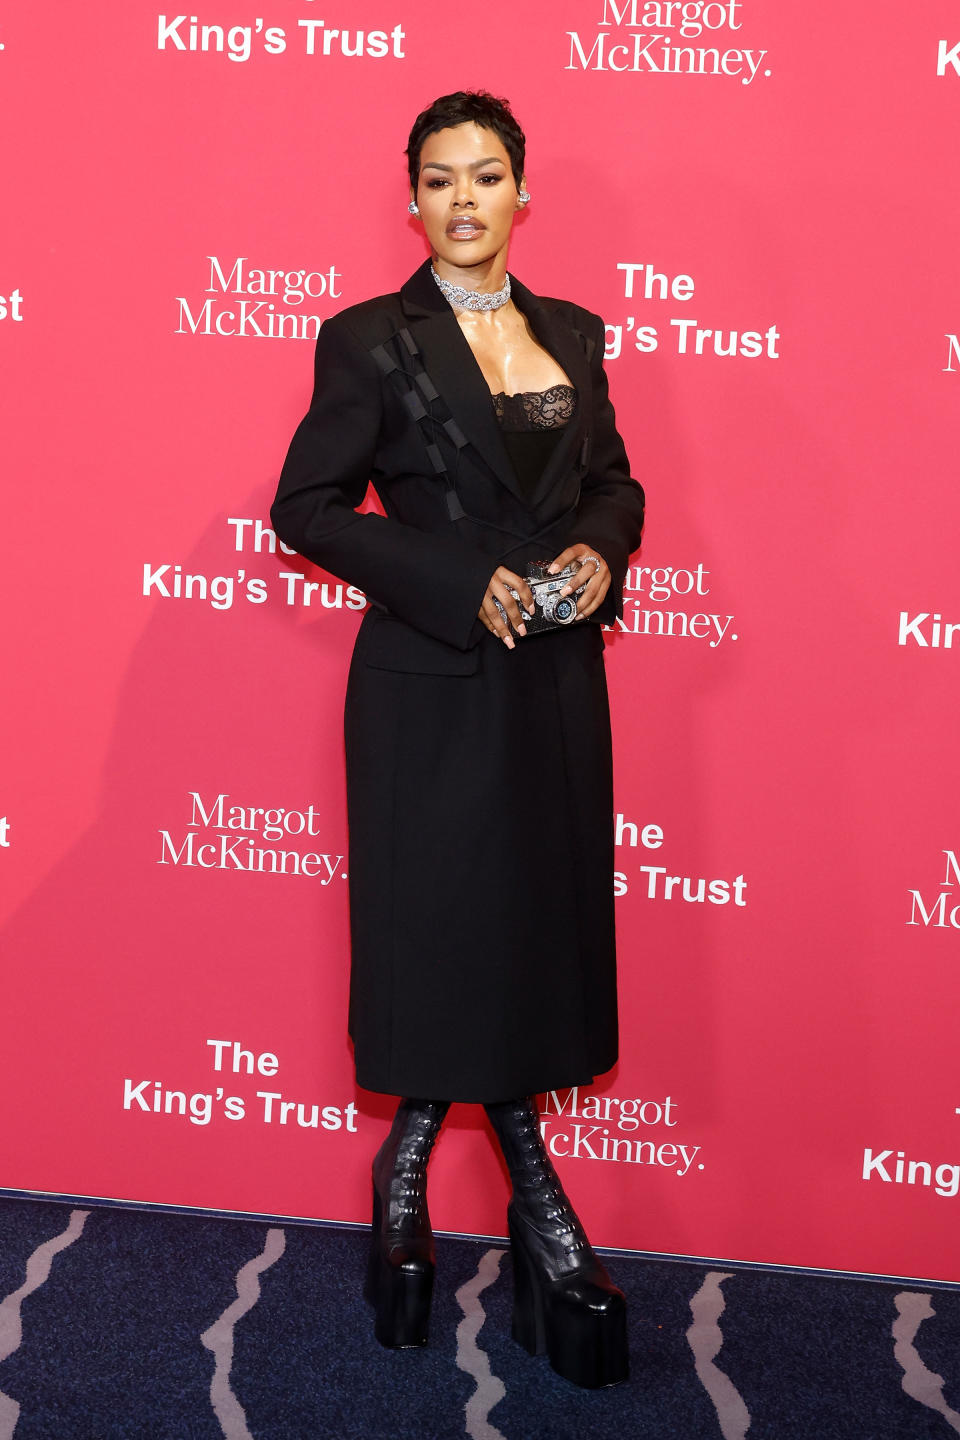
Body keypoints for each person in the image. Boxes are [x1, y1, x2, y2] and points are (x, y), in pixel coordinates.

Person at [271, 90, 645, 1389]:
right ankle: (532, 1189)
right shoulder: (371, 340)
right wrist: (445, 576)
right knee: (444, 927)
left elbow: (614, 478)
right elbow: (305, 506)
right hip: (429, 681)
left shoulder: (579, 334)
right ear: (414, 198)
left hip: (551, 684)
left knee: (532, 929)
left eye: (488, 177)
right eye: (441, 180)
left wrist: (600, 549)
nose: (466, 200)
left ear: (523, 192)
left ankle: (408, 1164)